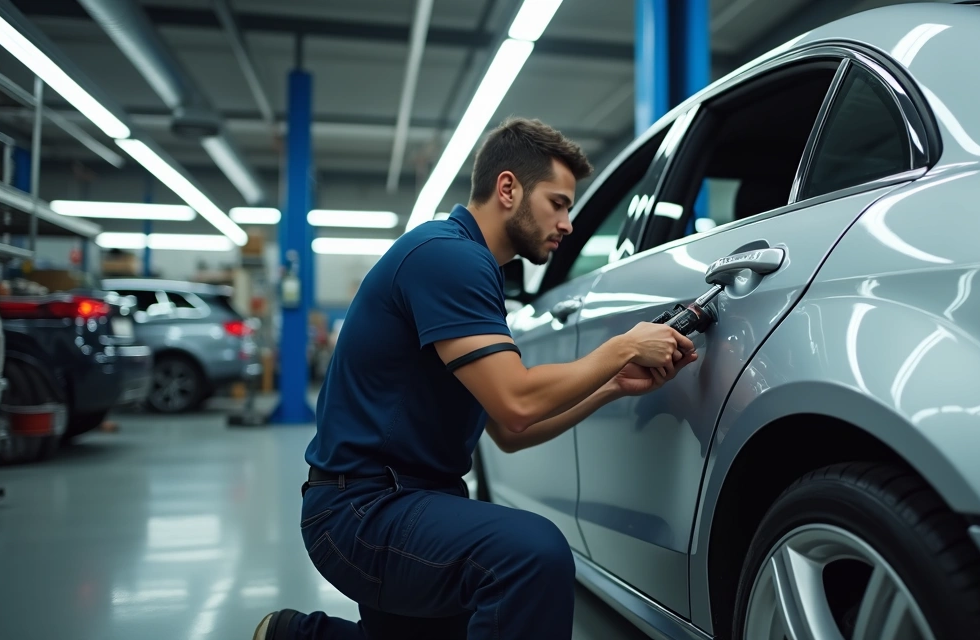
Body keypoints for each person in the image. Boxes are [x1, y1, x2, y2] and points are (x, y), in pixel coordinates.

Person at [254, 117, 698, 640]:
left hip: (405, 504)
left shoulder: (468, 265)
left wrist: (611, 385)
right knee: (531, 556)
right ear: (508, 188)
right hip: (364, 512)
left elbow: (511, 434)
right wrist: (622, 345)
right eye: (558, 203)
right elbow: (516, 401)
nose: (568, 224)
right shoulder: (450, 256)